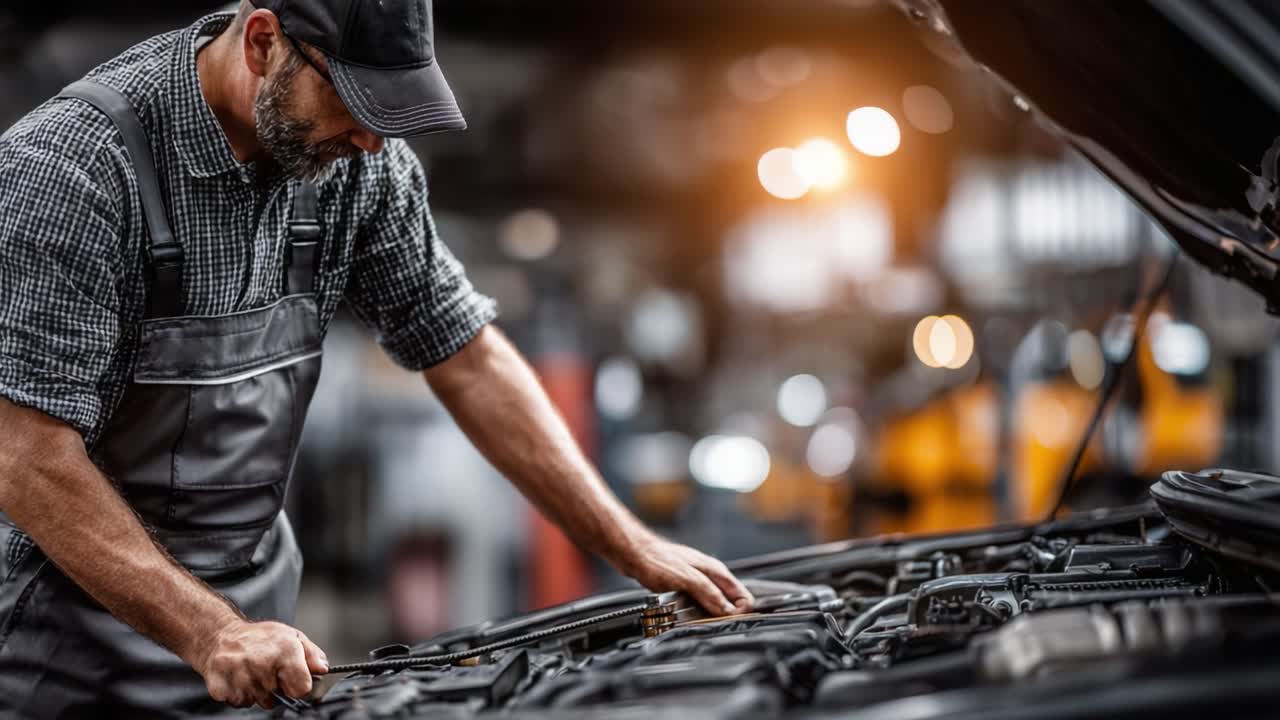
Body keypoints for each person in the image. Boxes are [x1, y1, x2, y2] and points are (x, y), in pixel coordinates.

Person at [0, 0, 753, 715]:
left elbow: (467, 357)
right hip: (64, 661)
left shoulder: (355, 165)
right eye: (353, 100)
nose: (371, 139)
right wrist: (209, 631)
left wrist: (630, 543)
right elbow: (24, 453)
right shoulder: (71, 170)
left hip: (256, 645)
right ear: (262, 43)